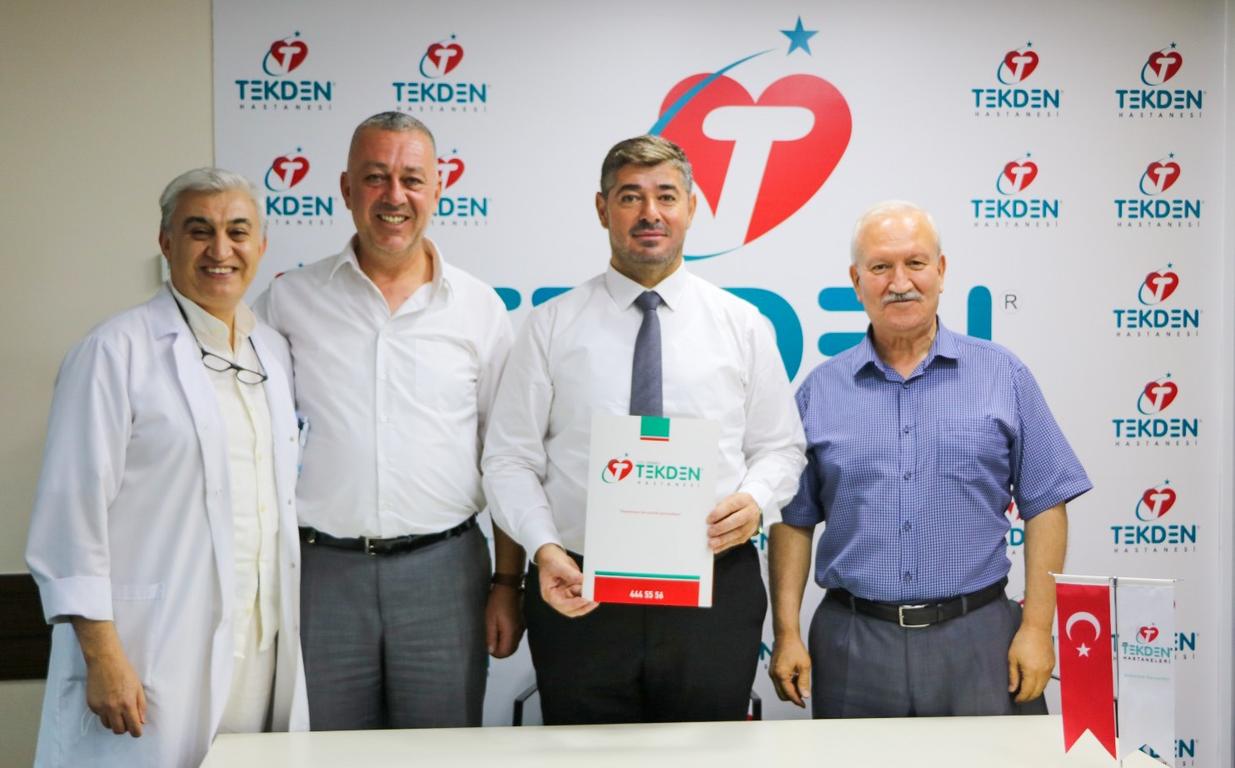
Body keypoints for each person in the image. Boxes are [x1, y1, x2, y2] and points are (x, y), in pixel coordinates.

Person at [481, 135, 805, 724]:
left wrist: (756, 500)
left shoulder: (742, 326)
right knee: (582, 757)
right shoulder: (551, 326)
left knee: (708, 756)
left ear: (692, 207)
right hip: (578, 588)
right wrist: (544, 550)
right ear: (602, 209)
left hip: (712, 588)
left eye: (666, 196)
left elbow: (780, 448)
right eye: (630, 197)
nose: (650, 213)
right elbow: (509, 460)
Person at [25, 169, 309, 767]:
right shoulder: (114, 352)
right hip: (150, 649)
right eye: (199, 231)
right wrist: (103, 656)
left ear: (261, 246)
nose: (220, 250)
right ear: (166, 242)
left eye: (238, 232)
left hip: (259, 650)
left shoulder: (272, 353)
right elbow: (69, 517)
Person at [768, 200, 1092, 718]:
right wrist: (786, 632)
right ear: (856, 281)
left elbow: (1046, 503)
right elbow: (794, 520)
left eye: (915, 263)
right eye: (880, 267)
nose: (900, 282)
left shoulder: (1003, 376)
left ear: (940, 271)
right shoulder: (819, 391)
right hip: (854, 644)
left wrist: (1036, 627)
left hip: (980, 640)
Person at [256, 111, 524, 730]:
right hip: (322, 576)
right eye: (375, 177)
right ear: (346, 189)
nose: (394, 196)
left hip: (445, 575)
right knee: (326, 754)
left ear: (438, 188)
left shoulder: (479, 308)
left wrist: (508, 583)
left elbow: (507, 458)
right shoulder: (289, 301)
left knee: (439, 756)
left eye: (412, 179)